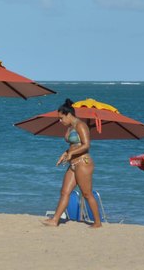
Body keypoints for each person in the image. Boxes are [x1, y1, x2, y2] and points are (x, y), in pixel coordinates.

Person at [42, 98, 102, 228]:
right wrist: (65, 153)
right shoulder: (70, 127)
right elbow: (73, 145)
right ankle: (55, 220)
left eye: (61, 118)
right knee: (64, 192)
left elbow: (86, 145)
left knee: (87, 193)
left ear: (68, 114)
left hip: (83, 163)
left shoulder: (81, 125)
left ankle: (97, 222)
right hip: (73, 163)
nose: (60, 120)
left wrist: (71, 154)